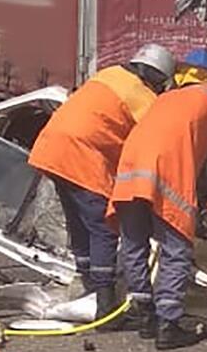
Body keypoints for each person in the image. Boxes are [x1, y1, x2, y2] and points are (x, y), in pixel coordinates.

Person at [108, 48, 207, 349]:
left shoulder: (165, 99)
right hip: (166, 172)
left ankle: (145, 314)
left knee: (135, 242)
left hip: (130, 170)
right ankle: (169, 324)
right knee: (176, 245)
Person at [28, 44, 176, 317]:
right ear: (157, 78)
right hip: (81, 156)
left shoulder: (108, 75)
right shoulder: (142, 96)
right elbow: (157, 141)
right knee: (103, 227)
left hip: (52, 148)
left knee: (78, 221)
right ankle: (104, 300)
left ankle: (86, 281)